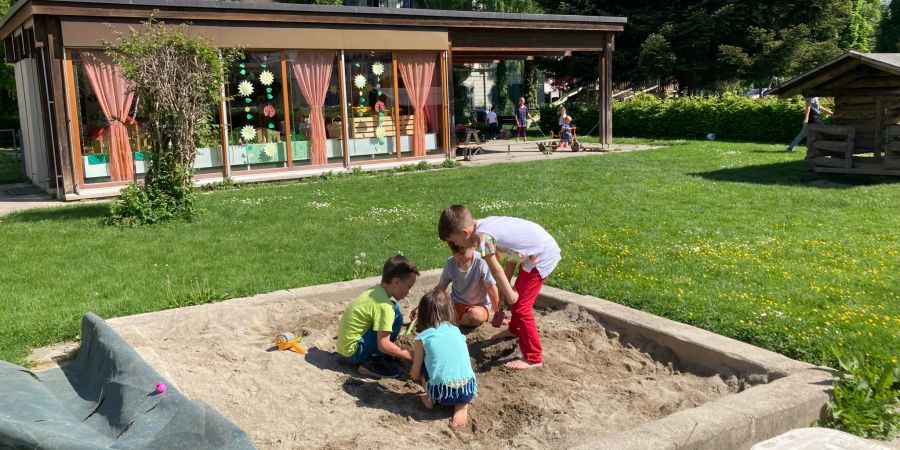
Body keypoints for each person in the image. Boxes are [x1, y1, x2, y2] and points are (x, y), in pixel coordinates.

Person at [438, 205, 561, 370]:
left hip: (542, 255)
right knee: (517, 303)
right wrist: (506, 291)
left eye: (454, 241)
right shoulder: (484, 226)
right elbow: (511, 258)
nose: (455, 245)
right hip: (529, 254)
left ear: (465, 233)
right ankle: (515, 329)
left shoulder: (483, 238)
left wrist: (510, 295)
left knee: (522, 308)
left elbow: (495, 269)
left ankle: (533, 357)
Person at [336, 254, 419, 378]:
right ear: (396, 281)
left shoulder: (375, 291)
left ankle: (379, 354)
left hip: (344, 347)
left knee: (395, 311)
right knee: (392, 312)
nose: (409, 292)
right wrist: (411, 355)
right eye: (409, 287)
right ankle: (371, 362)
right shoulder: (385, 306)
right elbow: (383, 344)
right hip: (354, 353)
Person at [409, 289, 477, 427]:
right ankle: (462, 405)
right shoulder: (456, 331)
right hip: (468, 388)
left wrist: (414, 374)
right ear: (449, 311)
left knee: (423, 364)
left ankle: (431, 399)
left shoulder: (422, 337)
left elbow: (415, 374)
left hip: (442, 393)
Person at [412, 242, 499, 328]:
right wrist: (420, 307)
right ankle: (454, 321)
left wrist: (497, 314)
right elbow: (440, 288)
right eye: (454, 252)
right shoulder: (451, 263)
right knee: (433, 311)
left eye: (462, 253)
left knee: (474, 316)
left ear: (473, 246)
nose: (458, 256)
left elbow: (491, 289)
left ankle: (453, 323)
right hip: (455, 305)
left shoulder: (482, 262)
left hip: (479, 306)